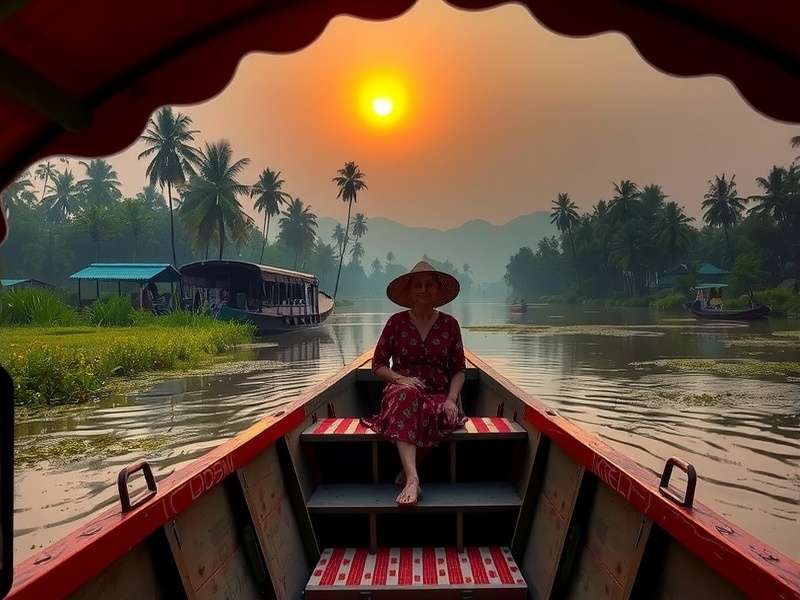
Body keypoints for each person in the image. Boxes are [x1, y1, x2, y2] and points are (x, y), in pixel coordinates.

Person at [362, 260, 467, 506]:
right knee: (407, 398)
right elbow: (377, 365)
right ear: (410, 291)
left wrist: (452, 400)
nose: (423, 290)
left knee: (443, 413)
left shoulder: (450, 325)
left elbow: (459, 370)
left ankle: (409, 472)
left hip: (438, 394)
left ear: (438, 291)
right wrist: (402, 379)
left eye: (429, 285)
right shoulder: (396, 323)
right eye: (418, 285)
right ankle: (412, 479)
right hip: (401, 392)